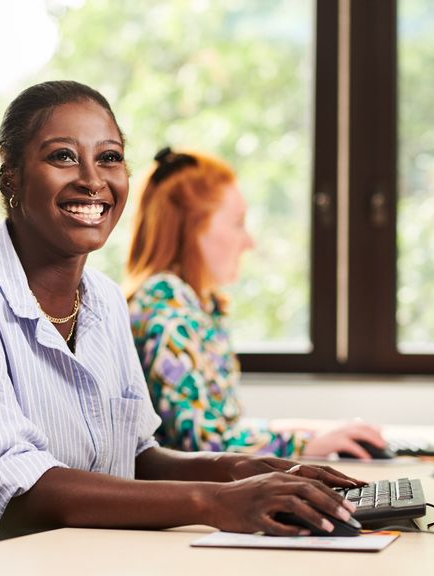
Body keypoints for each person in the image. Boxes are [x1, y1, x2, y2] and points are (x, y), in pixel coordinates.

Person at [0, 81, 360, 556]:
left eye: (109, 157)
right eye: (63, 156)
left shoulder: (102, 299)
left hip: (67, 556)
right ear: (11, 179)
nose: (93, 179)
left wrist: (238, 470)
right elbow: (17, 497)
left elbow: (136, 456)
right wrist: (215, 501)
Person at [124, 147, 387, 459]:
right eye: (238, 223)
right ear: (193, 229)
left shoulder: (198, 304)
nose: (249, 241)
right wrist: (305, 443)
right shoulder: (165, 302)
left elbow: (222, 428)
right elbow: (203, 445)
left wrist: (314, 431)